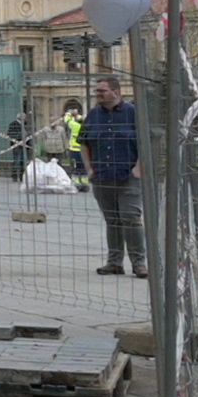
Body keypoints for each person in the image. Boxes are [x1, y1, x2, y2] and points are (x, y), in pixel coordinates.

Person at [82, 76, 146, 278]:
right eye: (97, 91)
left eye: (102, 91)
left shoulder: (133, 114)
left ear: (116, 92)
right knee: (112, 220)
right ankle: (114, 262)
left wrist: (139, 168)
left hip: (128, 176)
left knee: (131, 218)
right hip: (102, 177)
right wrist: (89, 169)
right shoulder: (93, 115)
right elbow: (83, 142)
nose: (98, 94)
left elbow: (146, 143)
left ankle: (139, 263)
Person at [62, 107, 88, 192]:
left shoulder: (75, 126)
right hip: (84, 151)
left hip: (74, 151)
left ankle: (77, 184)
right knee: (84, 168)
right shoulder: (86, 127)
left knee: (76, 168)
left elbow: (67, 120)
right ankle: (85, 185)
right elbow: (81, 119)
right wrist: (77, 115)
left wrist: (69, 113)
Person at [7, 114, 28, 181]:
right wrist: (19, 137)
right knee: (17, 161)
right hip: (17, 145)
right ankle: (15, 176)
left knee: (23, 161)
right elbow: (10, 134)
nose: (25, 118)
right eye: (24, 117)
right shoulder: (13, 124)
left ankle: (22, 176)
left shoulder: (25, 124)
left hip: (24, 145)